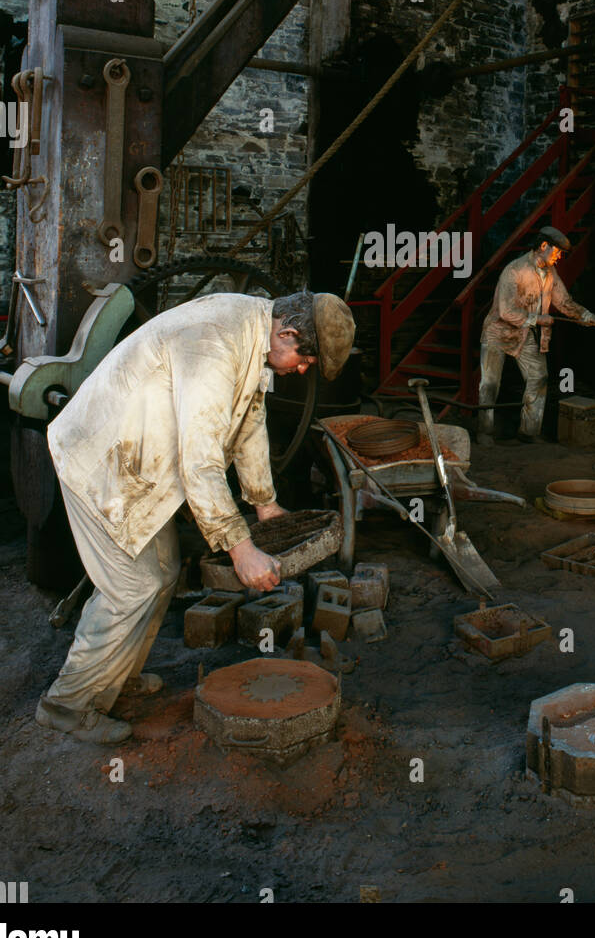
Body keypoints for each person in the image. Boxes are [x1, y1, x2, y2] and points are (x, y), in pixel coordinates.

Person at [35, 289, 355, 744]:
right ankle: (66, 705)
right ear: (287, 332)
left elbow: (249, 419)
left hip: (136, 466)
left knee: (163, 573)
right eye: (305, 360)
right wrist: (240, 548)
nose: (302, 370)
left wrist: (264, 501)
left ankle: (115, 680)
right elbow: (199, 461)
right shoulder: (215, 343)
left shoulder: (254, 331)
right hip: (100, 461)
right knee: (132, 588)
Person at [477, 226, 595, 446]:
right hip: (497, 333)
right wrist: (539, 319)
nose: (559, 257)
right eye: (557, 252)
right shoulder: (514, 270)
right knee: (490, 384)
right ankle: (485, 432)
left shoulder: (550, 274)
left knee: (538, 378)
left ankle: (529, 431)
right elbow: (506, 311)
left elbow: (565, 303)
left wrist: (592, 319)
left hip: (525, 333)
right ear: (543, 246)